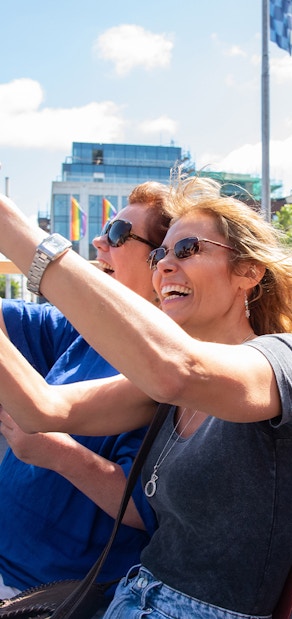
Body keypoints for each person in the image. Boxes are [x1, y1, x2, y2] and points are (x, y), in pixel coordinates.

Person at [0, 175, 292, 619]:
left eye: (188, 249)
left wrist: (11, 225)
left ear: (248, 271)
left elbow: (177, 369)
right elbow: (43, 408)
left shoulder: (285, 357)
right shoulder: (163, 387)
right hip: (132, 598)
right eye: (160, 254)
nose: (163, 265)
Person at [0, 181, 170, 598]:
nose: (98, 240)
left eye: (117, 234)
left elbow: (148, 511)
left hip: (56, 591)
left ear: (162, 264)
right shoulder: (83, 330)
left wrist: (55, 451)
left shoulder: (171, 370)